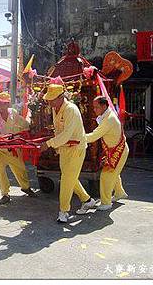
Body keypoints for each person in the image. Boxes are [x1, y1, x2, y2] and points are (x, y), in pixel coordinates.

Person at [39, 84, 96, 223]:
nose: (49, 102)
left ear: (60, 97)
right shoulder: (55, 108)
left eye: (52, 99)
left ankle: (63, 211)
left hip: (76, 148)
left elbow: (66, 134)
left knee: (66, 180)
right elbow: (58, 132)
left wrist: (49, 144)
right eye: (49, 99)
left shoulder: (71, 109)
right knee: (69, 177)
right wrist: (56, 147)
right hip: (65, 148)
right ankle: (87, 200)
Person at [0, 91, 36, 205]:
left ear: (8, 104)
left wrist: (31, 127)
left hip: (13, 147)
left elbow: (23, 123)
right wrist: (5, 139)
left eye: (5, 103)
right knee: (0, 172)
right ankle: (5, 194)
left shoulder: (13, 113)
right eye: (0, 103)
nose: (2, 105)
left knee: (20, 168)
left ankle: (26, 187)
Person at [85, 96, 129, 210]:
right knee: (114, 173)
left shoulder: (109, 119)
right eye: (94, 107)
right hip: (116, 149)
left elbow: (94, 135)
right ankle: (119, 193)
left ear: (104, 106)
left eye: (96, 107)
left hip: (118, 151)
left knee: (106, 175)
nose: (94, 110)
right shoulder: (106, 115)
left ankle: (106, 202)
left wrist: (78, 138)